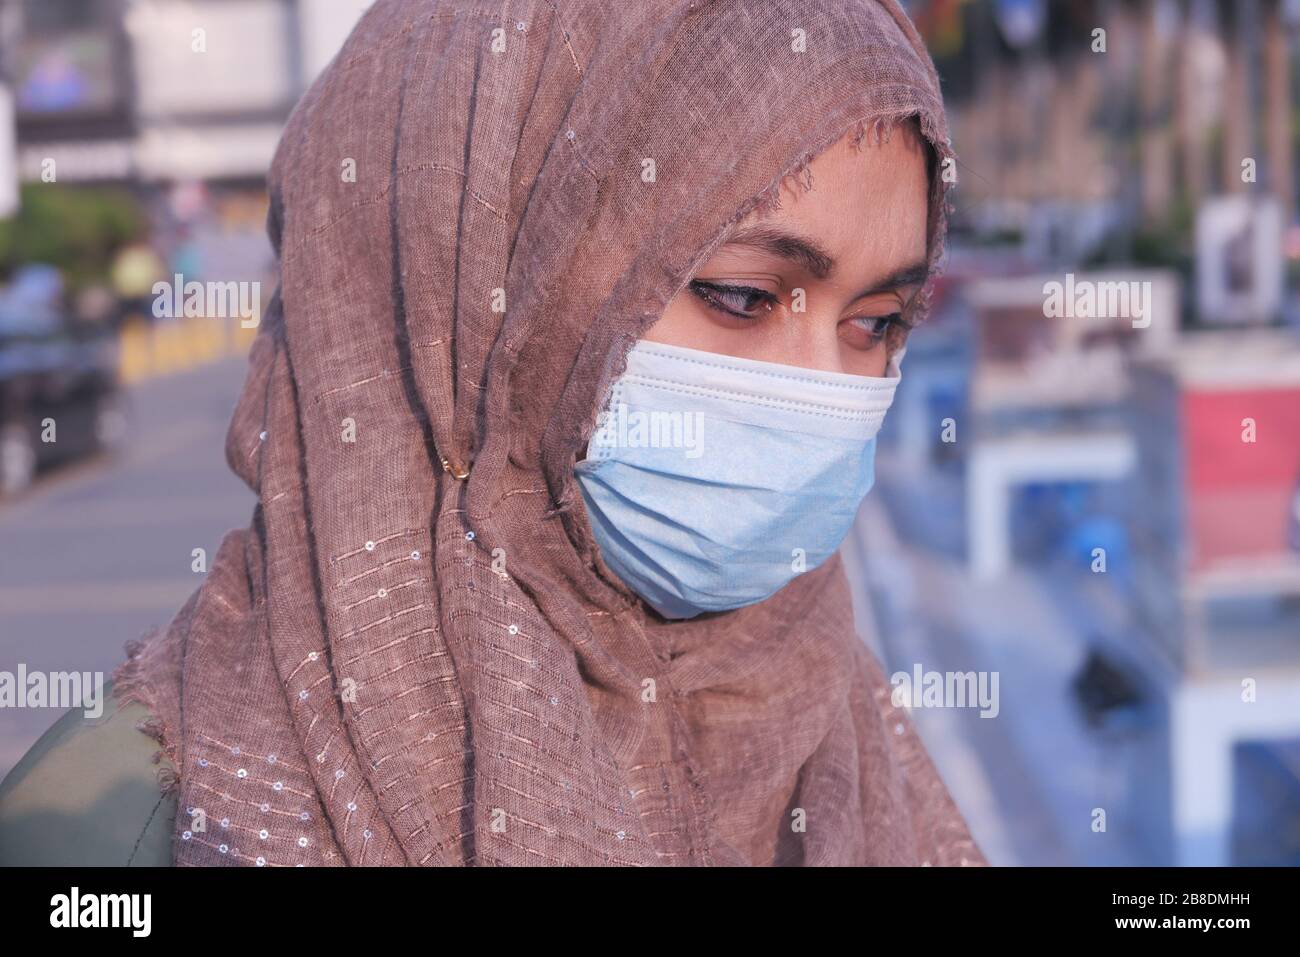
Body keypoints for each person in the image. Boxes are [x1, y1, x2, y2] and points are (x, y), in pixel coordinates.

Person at [0, 0, 985, 866]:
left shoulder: (840, 734)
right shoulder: (129, 821)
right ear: (474, 283)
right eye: (741, 296)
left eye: (875, 324)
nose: (823, 393)